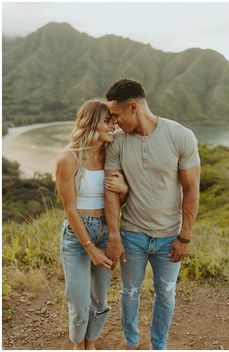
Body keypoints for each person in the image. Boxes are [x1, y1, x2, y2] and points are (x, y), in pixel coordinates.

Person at [104, 79, 201, 350]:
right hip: (132, 234)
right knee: (129, 292)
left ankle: (159, 346)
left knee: (166, 295)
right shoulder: (117, 142)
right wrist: (114, 235)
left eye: (116, 115)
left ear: (133, 107)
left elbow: (191, 189)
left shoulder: (181, 136)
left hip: (169, 237)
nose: (114, 121)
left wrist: (184, 237)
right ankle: (131, 343)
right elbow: (111, 191)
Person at [56, 99, 128, 350]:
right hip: (78, 235)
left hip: (107, 230)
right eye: (107, 121)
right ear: (91, 123)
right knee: (78, 299)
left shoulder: (113, 154)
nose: (113, 126)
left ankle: (92, 342)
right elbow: (69, 208)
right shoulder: (68, 158)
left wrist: (125, 189)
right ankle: (78, 344)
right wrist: (90, 247)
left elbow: (122, 198)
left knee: (99, 299)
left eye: (114, 121)